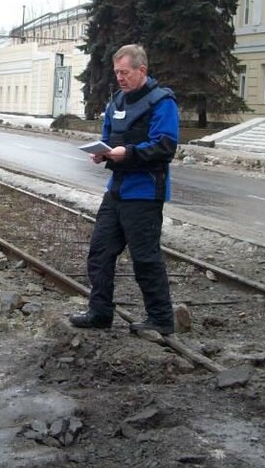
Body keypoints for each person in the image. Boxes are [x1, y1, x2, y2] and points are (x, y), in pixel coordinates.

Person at [69, 44, 179, 335]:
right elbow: (108, 139)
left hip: (145, 193)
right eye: (116, 72)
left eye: (125, 72)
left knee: (145, 258)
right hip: (116, 190)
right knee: (100, 251)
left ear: (142, 70)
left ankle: (161, 319)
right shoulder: (116, 102)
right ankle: (100, 312)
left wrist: (127, 153)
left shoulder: (162, 102)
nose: (119, 78)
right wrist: (102, 153)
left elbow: (165, 147)